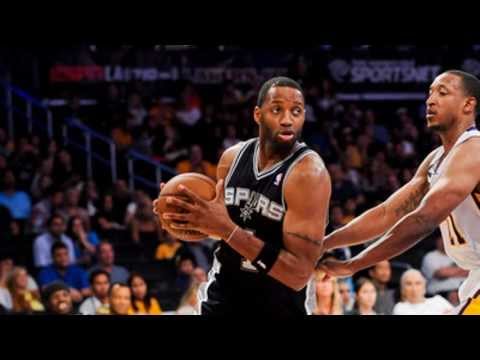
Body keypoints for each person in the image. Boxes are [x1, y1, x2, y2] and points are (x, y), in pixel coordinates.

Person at [155, 77, 331, 317]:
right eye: (277, 109)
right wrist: (184, 213)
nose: (288, 120)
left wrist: (228, 230)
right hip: (223, 299)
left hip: (279, 306)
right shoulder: (231, 159)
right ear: (258, 114)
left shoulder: (308, 174)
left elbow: (299, 274)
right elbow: (223, 227)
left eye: (296, 111)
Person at [319, 70, 480, 315]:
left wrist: (353, 265)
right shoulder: (437, 159)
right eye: (430, 93)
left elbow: (422, 220)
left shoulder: (474, 149)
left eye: (442, 92)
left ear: (469, 104)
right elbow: (387, 212)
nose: (430, 100)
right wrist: (324, 243)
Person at [421, 235, 468, 303]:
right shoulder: (430, 256)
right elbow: (440, 274)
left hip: (463, 289)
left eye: (447, 239)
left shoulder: (460, 255)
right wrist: (462, 269)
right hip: (440, 294)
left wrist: (449, 271)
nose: (445, 241)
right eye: (442, 239)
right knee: (454, 295)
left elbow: (471, 271)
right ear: (437, 241)